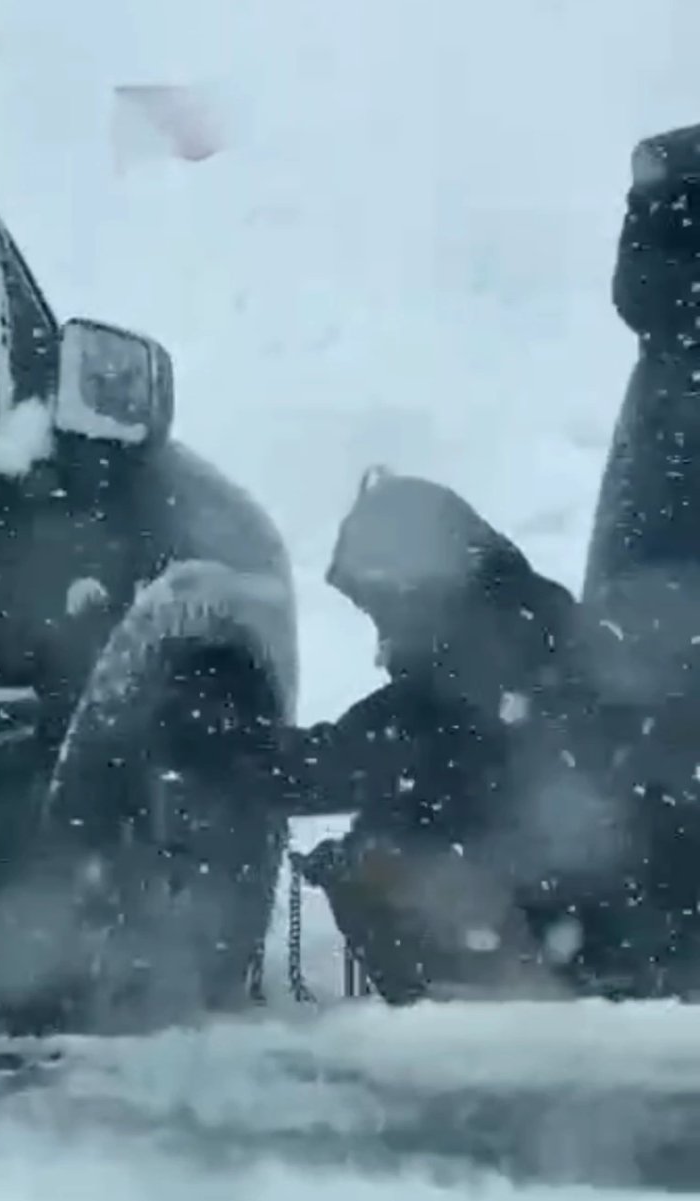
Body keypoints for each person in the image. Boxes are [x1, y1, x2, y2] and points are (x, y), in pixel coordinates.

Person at [262, 125, 700, 1004]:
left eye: (382, 610)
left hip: (630, 953)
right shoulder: (522, 625)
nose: (382, 640)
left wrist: (216, 755)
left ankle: (532, 1019)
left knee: (393, 859)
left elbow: (360, 758)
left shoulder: (482, 661)